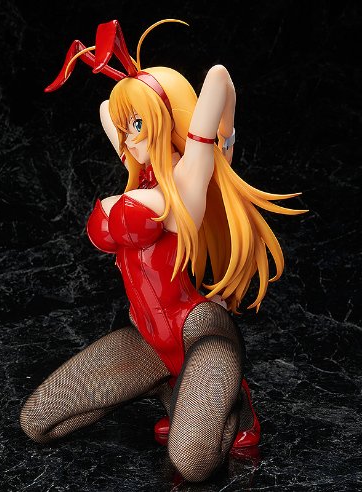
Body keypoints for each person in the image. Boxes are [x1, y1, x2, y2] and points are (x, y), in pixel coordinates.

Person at [20, 19, 306, 482]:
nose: (129, 137)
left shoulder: (190, 177)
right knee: (37, 422)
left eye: (137, 125)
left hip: (199, 332)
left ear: (163, 119)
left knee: (190, 464)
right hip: (148, 340)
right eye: (125, 129)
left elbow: (219, 78)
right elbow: (105, 110)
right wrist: (129, 101)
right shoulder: (139, 173)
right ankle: (170, 390)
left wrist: (221, 140)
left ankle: (236, 409)